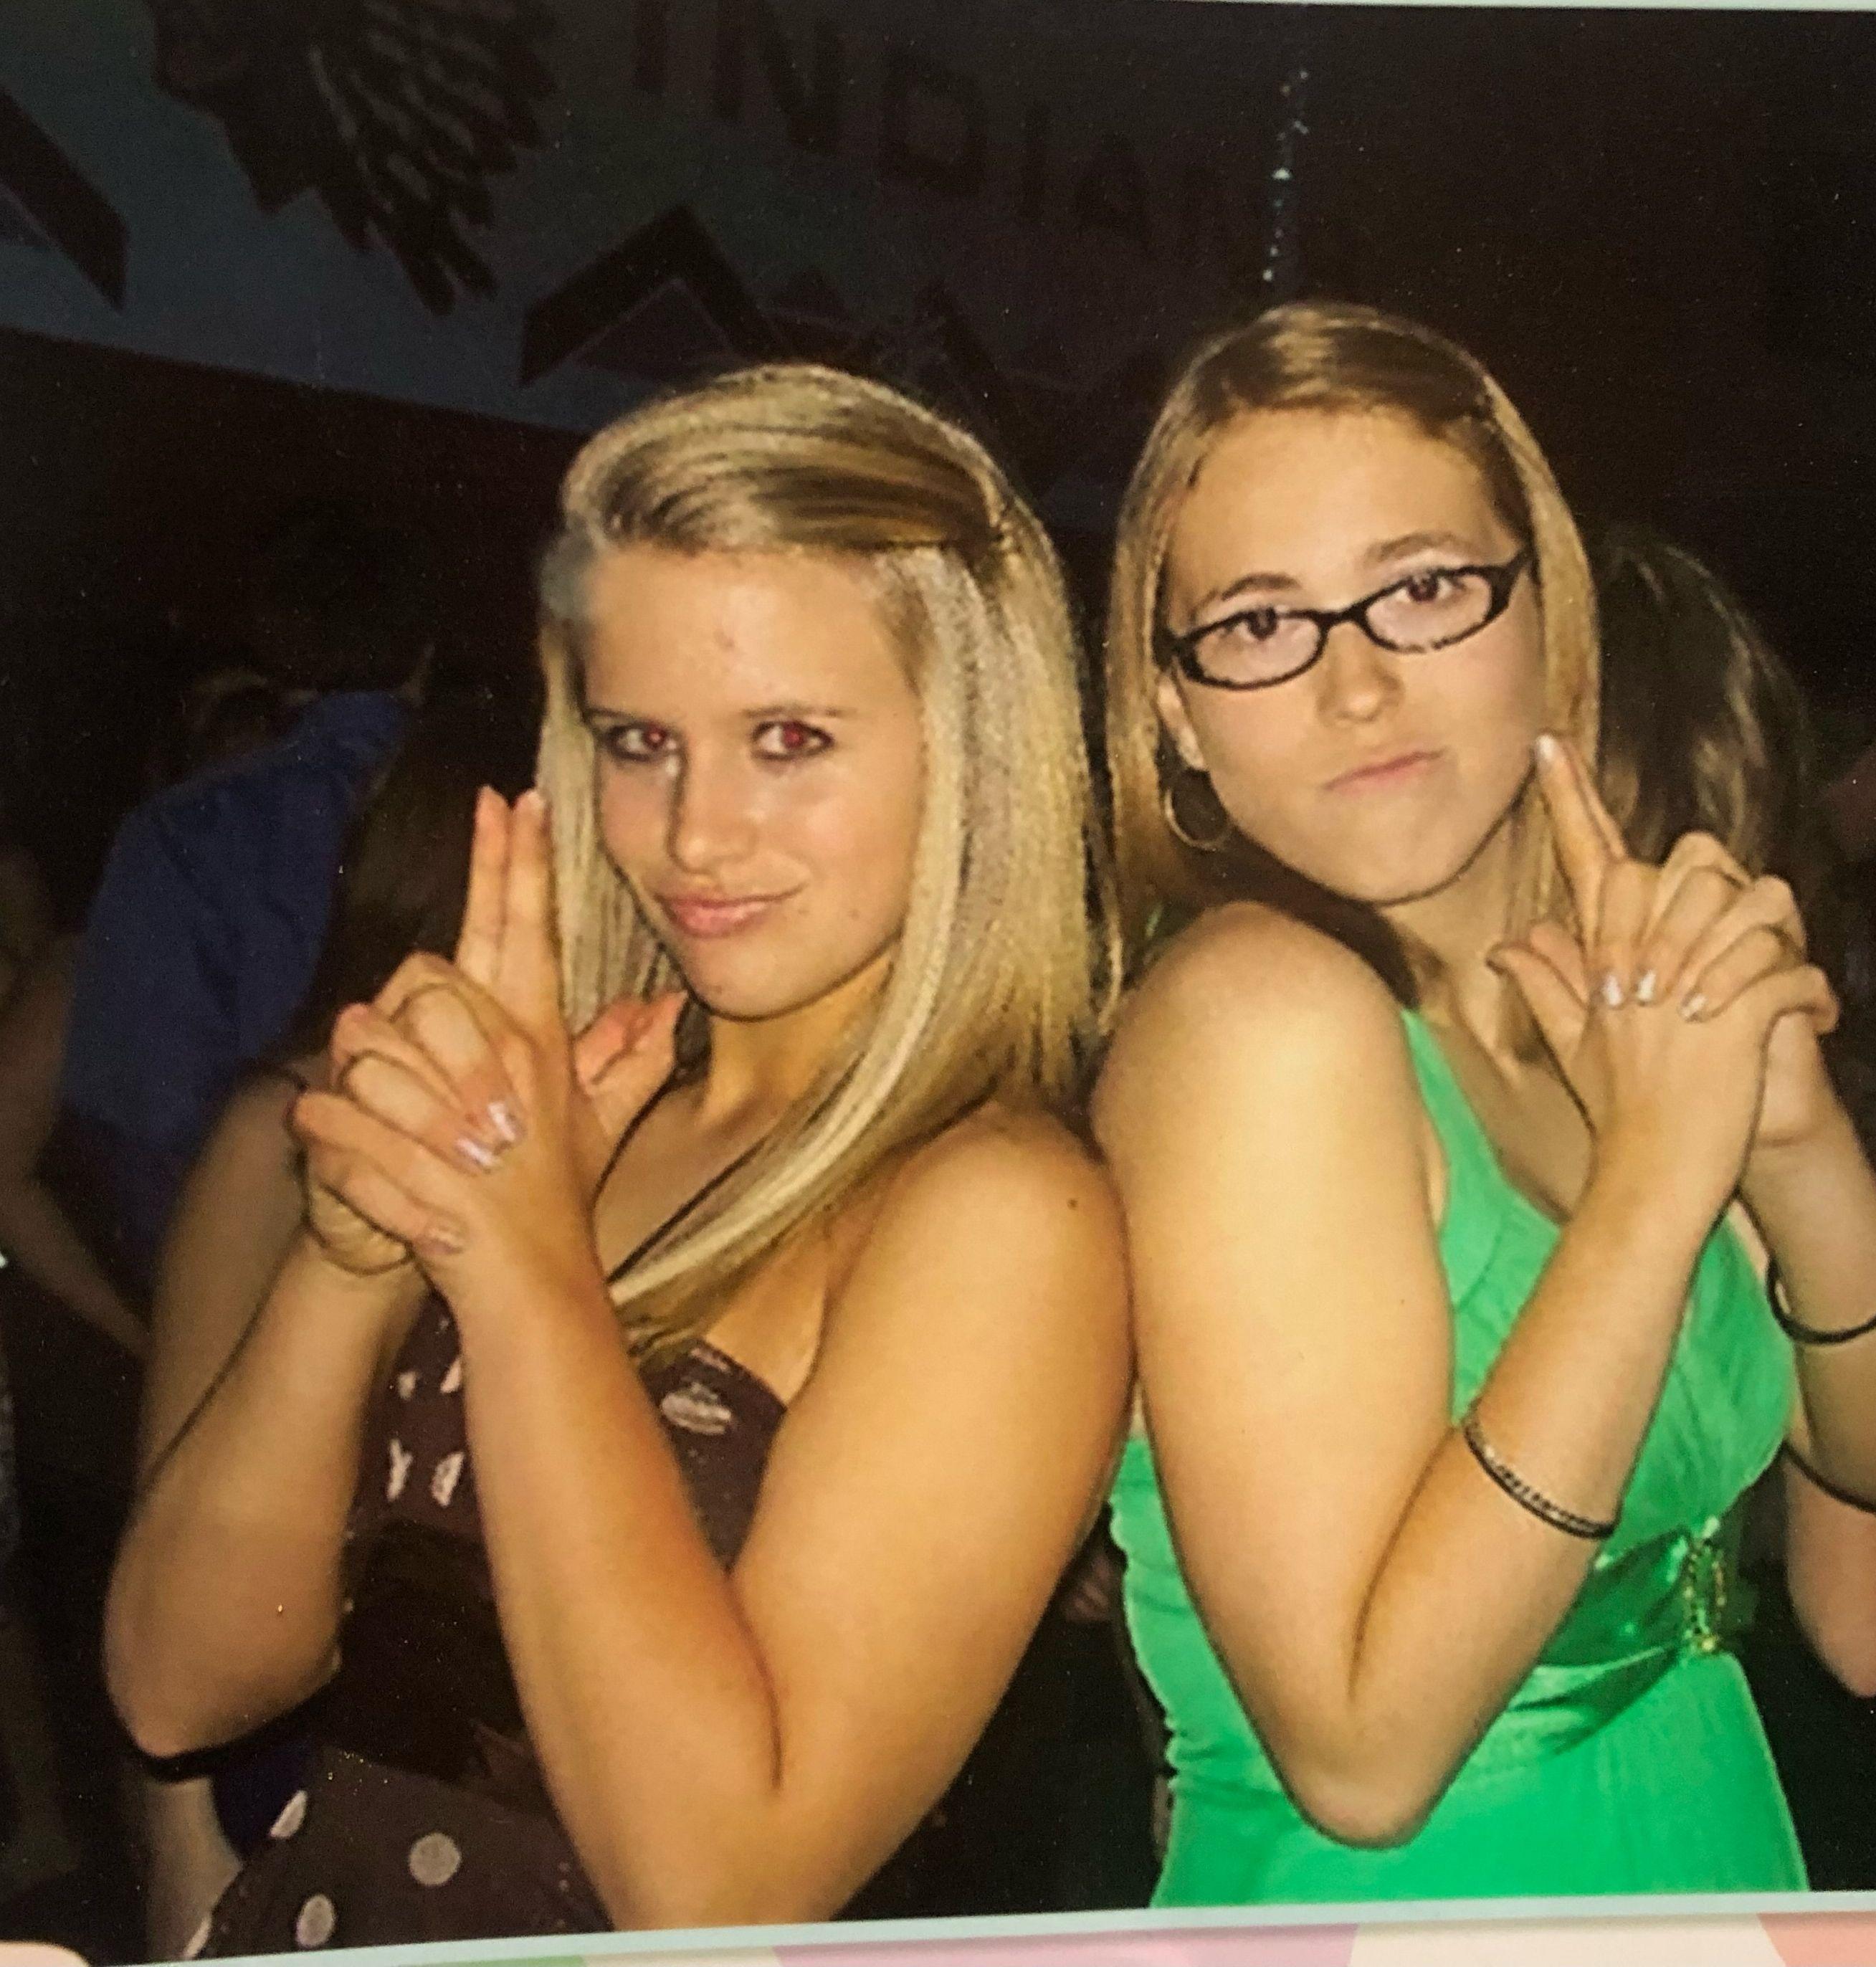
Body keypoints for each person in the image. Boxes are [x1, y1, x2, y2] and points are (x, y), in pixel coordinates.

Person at [105, 363, 1130, 1949]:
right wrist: (357, 1253)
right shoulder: (589, 1098)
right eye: (639, 739)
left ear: (973, 751)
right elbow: (178, 1685)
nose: (694, 832)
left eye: (788, 737)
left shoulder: (998, 1208)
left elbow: (722, 1881)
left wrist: (521, 1270)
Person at [1095, 300, 1876, 1904]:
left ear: (1548, 618)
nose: (1357, 685)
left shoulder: (1594, 995)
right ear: (1178, 715)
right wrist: (1653, 1184)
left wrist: (1790, 1134)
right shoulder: (1258, 1020)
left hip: (1698, 1844)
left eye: (1423, 588)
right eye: (1261, 621)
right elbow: (1363, 1754)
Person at [133, 689, 537, 1958]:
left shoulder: (564, 1126)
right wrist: (181, 1867)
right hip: (283, 1749)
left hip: (459, 1781)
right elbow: (172, 1509)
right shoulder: (284, 1128)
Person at [56, 509, 423, 1298]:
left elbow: (135, 1123)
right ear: (423, 652)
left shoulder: (181, 830)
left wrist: (197, 1300)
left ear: (271, 639)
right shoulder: (490, 810)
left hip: (237, 1271)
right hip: (425, 1273)